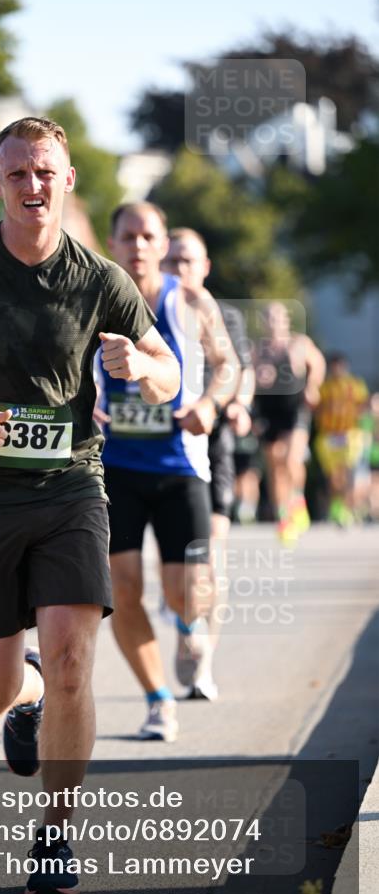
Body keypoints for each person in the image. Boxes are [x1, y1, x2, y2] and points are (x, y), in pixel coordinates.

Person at [0, 117, 179, 894]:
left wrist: (139, 363)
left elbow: (165, 374)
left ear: (67, 180)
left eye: (45, 171)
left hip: (69, 489)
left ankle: (55, 831)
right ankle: (26, 697)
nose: (32, 185)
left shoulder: (100, 280)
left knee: (72, 657)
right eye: (17, 173)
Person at [96, 203, 239, 744]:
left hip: (181, 466)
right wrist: (85, 404)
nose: (137, 245)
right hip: (116, 466)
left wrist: (209, 404)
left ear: (162, 245)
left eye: (147, 236)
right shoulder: (93, 299)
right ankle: (158, 699)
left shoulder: (190, 301)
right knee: (123, 589)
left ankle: (186, 623)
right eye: (127, 236)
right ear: (112, 243)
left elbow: (227, 366)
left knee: (187, 591)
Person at [163, 229, 255, 630]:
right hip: (164, 444)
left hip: (212, 439)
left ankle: (202, 641)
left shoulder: (225, 315)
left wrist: (238, 404)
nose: (180, 269)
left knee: (211, 545)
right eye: (172, 261)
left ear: (205, 266)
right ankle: (185, 610)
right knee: (174, 552)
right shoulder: (144, 310)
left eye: (188, 261)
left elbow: (241, 370)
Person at [253, 301, 325, 543]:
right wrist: (257, 380)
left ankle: (297, 500)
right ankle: (283, 515)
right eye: (268, 318)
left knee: (292, 458)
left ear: (286, 320)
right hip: (269, 411)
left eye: (277, 318)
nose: (272, 323)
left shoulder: (299, 344)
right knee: (275, 465)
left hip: (295, 408)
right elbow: (247, 377)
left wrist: (312, 386)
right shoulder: (259, 349)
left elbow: (318, 364)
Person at [313, 353, 369, 527]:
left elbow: (363, 406)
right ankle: (338, 505)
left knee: (348, 471)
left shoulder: (356, 385)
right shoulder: (324, 387)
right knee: (334, 474)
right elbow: (316, 407)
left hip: (349, 434)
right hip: (329, 435)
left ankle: (347, 507)